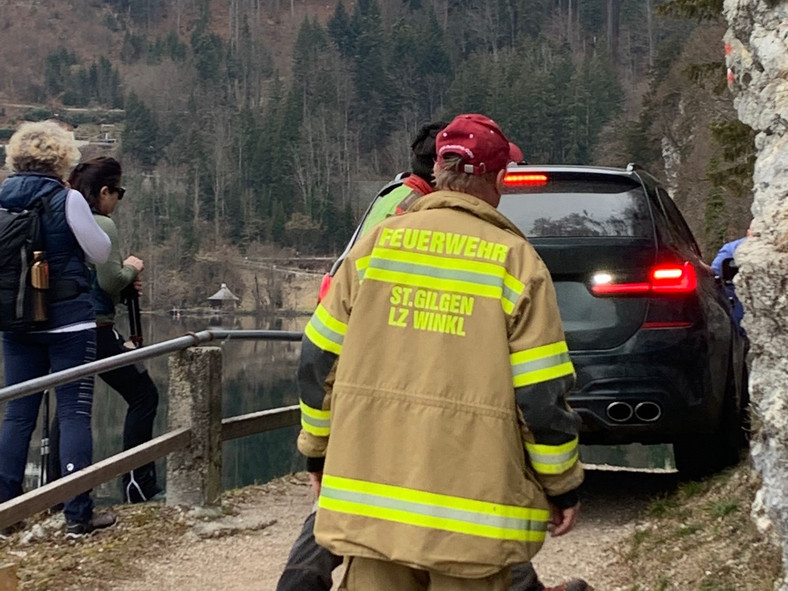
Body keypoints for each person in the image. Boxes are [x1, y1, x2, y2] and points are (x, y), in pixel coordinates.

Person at [277, 122, 590, 591]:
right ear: (501, 179)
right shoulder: (517, 263)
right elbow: (541, 396)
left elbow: (317, 359)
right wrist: (561, 482)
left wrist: (318, 454)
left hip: (373, 514)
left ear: (440, 171)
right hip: (472, 525)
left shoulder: (375, 248)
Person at [0, 121, 114, 538]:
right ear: (61, 159)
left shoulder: (1, 198)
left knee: (17, 415)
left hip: (16, 322)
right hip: (69, 321)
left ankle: (6, 511)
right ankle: (76, 514)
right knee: (74, 414)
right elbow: (100, 253)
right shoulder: (66, 198)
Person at [48, 156, 163, 503]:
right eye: (119, 192)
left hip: (63, 327)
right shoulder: (102, 224)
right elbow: (110, 280)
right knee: (144, 395)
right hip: (97, 328)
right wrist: (130, 269)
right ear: (103, 192)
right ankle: (138, 483)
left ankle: (55, 492)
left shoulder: (63, 221)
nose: (118, 200)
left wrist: (124, 282)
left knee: (68, 408)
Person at [711, 229, 750, 332]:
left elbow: (715, 273)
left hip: (743, 299)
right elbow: (715, 272)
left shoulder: (734, 248)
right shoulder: (733, 248)